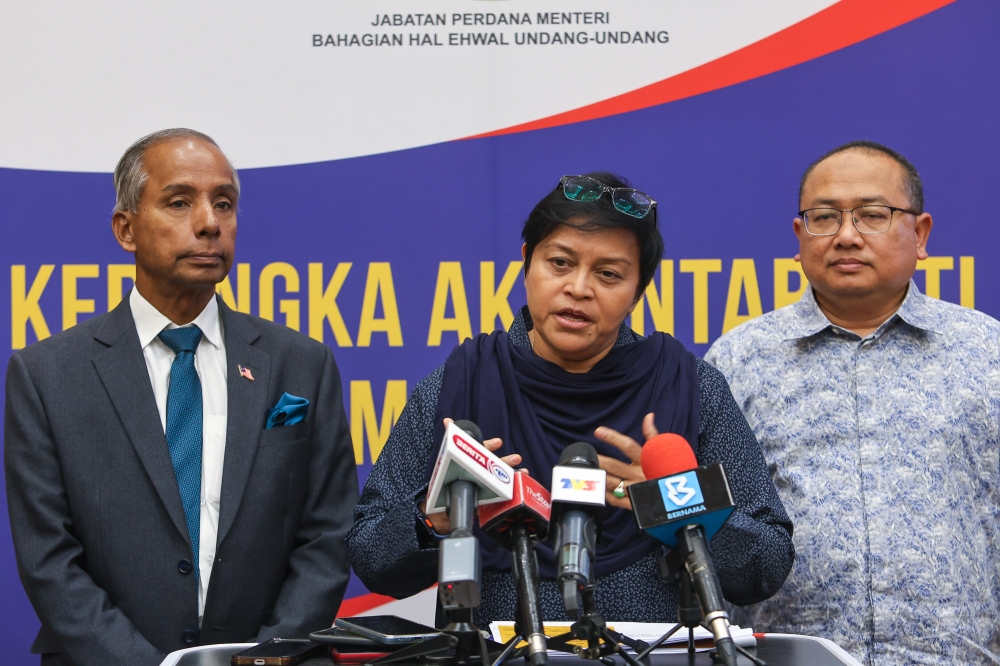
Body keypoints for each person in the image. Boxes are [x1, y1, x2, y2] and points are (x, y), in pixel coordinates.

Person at [347, 172, 794, 626]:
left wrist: (671, 501)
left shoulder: (689, 386)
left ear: (638, 290)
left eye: (608, 274)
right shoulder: (460, 383)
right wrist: (437, 517)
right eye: (560, 263)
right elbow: (371, 557)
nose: (579, 288)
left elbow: (765, 567)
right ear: (527, 262)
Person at [4, 128, 358, 666]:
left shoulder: (301, 364)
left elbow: (327, 537)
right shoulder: (47, 375)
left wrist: (266, 657)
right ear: (126, 229)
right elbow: (50, 560)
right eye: (179, 202)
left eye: (224, 203)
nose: (209, 223)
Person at [705, 141, 1000, 665]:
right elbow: (717, 531)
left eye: (872, 215)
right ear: (799, 238)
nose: (845, 236)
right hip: (788, 657)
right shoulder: (738, 360)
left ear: (921, 233)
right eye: (824, 218)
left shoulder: (987, 352)